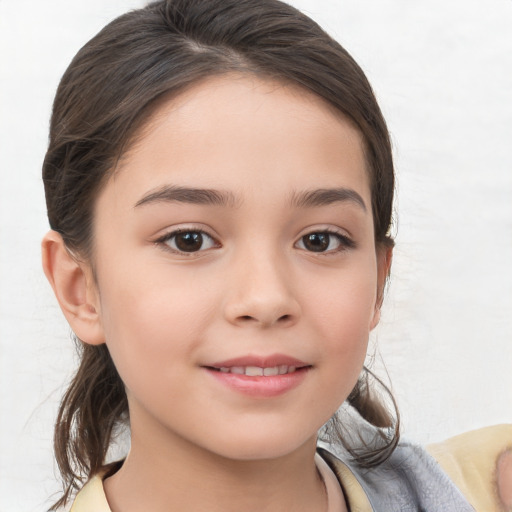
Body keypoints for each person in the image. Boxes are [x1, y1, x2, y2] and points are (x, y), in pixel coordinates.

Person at [40, 0, 511, 510]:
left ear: (378, 280)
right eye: (189, 239)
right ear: (79, 288)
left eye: (320, 240)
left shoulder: (487, 490)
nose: (265, 299)